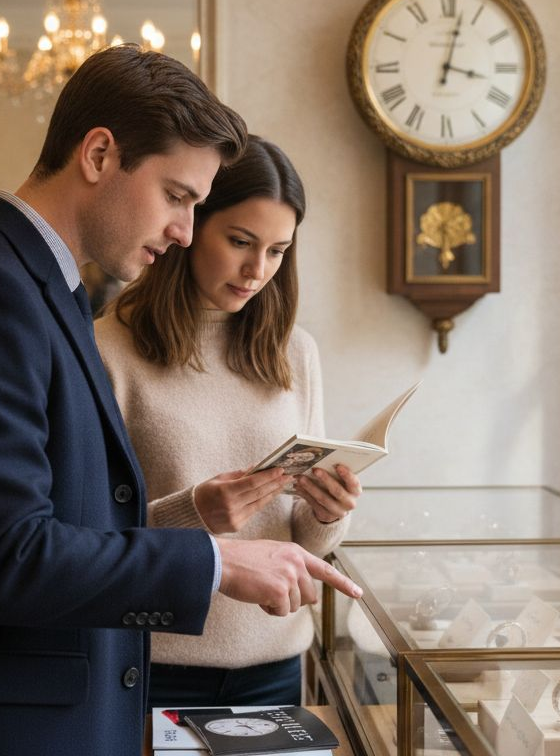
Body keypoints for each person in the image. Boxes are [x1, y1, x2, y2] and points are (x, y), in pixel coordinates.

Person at [0, 48, 361, 755]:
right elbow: (9, 559)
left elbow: (62, 516)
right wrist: (219, 563)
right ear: (100, 154)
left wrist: (198, 515)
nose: (182, 230)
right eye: (176, 196)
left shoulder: (43, 292)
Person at [95, 136, 362, 707]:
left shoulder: (294, 353)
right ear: (191, 225)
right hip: (151, 665)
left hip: (276, 664)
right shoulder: (108, 348)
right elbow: (85, 540)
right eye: (240, 241)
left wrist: (326, 513)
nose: (256, 269)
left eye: (277, 251)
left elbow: (300, 535)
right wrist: (194, 513)